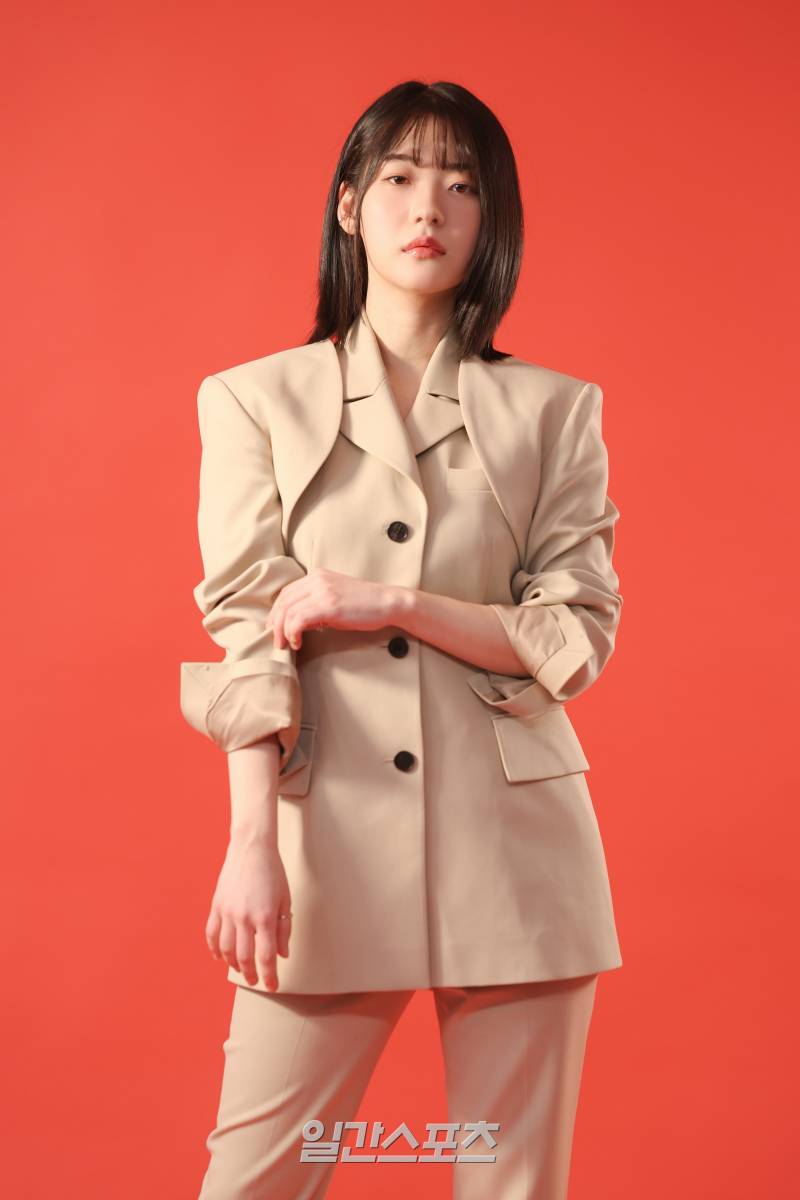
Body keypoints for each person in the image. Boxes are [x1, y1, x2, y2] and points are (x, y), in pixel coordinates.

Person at [180, 79, 624, 1200]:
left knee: (510, 1187)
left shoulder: (556, 411)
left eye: (462, 185)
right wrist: (251, 844)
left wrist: (395, 603)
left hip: (518, 853)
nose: (429, 206)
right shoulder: (252, 400)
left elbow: (574, 633)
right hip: (324, 844)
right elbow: (248, 636)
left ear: (489, 220)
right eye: (399, 177)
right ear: (349, 204)